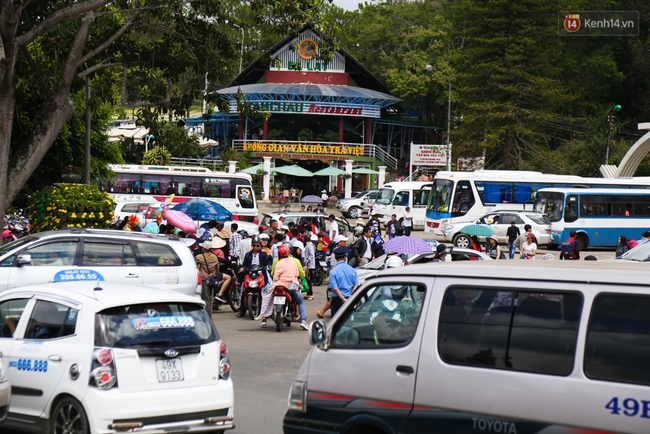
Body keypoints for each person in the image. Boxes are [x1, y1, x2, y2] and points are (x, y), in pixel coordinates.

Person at [258, 244, 308, 330]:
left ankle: (263, 318)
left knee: (266, 296)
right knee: (300, 301)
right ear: (290, 251)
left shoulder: (277, 262)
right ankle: (303, 321)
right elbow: (297, 274)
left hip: (278, 285)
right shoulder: (294, 261)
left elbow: (275, 276)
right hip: (291, 286)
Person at [329, 246, 359, 317]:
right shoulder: (352, 270)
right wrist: (350, 297)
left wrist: (343, 299)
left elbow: (335, 289)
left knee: (337, 322)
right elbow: (356, 285)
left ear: (336, 259)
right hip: (349, 298)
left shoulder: (333, 272)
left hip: (337, 300)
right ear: (345, 258)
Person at [195, 240, 224, 312]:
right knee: (210, 298)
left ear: (205, 248)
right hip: (212, 279)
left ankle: (207, 316)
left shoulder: (199, 257)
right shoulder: (214, 257)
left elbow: (197, 268)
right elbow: (217, 269)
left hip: (204, 279)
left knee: (205, 299)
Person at [302, 234, 316, 300]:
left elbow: (312, 254)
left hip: (310, 265)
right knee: (307, 280)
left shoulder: (309, 245)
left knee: (308, 279)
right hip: (308, 264)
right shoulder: (307, 244)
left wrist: (307, 261)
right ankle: (308, 294)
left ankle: (311, 294)